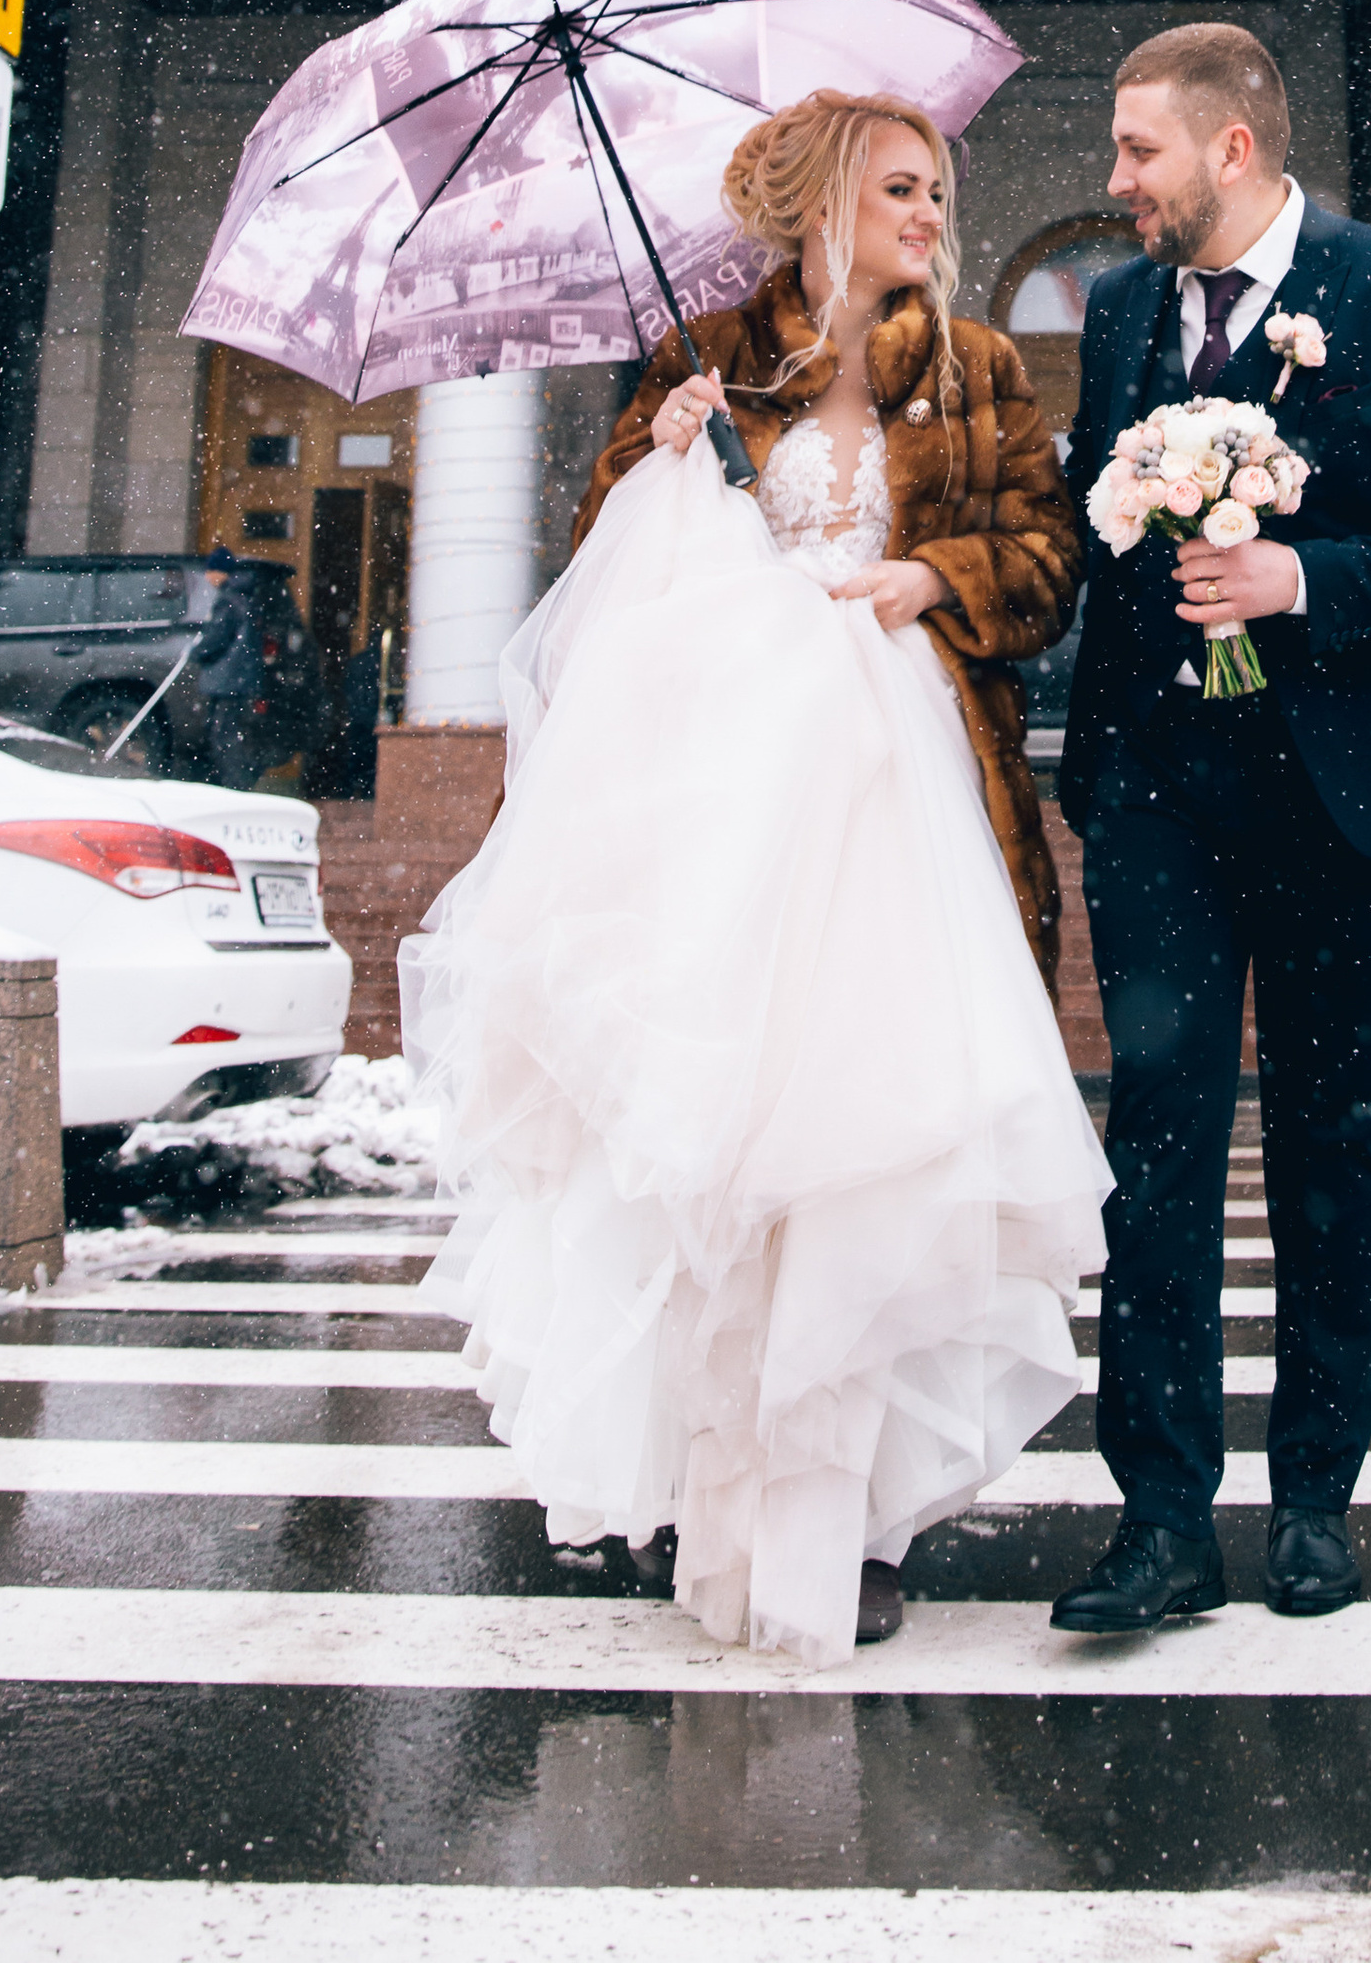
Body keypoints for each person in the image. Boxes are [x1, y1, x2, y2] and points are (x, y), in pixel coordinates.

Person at [403, 89, 1110, 1670]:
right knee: (730, 1168)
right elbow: (608, 588)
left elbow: (1048, 558)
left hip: (913, 810)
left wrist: (933, 576)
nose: (932, 215)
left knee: (874, 1155)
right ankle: (729, 1510)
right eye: (905, 188)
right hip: (728, 824)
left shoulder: (982, 368)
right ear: (826, 201)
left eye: (942, 191)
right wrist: (652, 465)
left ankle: (843, 1528)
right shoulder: (704, 363)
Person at [1050, 22, 1371, 1635]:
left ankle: (1314, 1501)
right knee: (1156, 1144)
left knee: (1332, 1138)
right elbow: (1091, 540)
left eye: (1137, 153)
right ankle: (1160, 1522)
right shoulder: (1119, 314)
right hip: (1159, 789)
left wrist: (1298, 577)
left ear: (1230, 151)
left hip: (1344, 783)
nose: (1116, 183)